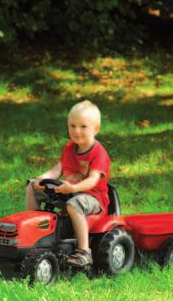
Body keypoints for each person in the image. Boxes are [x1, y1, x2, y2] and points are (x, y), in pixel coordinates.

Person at [26, 100, 111, 267]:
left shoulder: (99, 153)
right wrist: (40, 179)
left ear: (96, 129)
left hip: (92, 198)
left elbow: (93, 180)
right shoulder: (69, 148)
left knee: (74, 204)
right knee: (31, 186)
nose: (76, 131)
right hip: (68, 191)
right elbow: (56, 170)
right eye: (72, 125)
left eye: (83, 126)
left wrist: (73, 188)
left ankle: (84, 252)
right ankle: (33, 229)